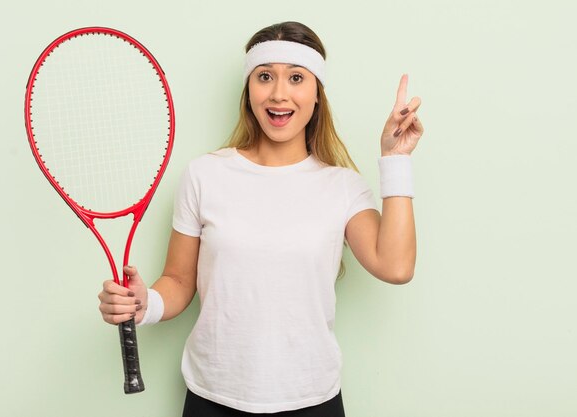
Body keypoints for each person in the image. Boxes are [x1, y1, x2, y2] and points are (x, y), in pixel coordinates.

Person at [98, 21, 423, 417]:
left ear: (316, 94)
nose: (278, 94)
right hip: (212, 398)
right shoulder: (204, 175)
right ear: (249, 90)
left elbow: (396, 265)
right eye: (265, 76)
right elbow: (180, 280)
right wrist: (143, 303)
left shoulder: (343, 186)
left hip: (312, 400)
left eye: (296, 78)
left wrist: (396, 159)